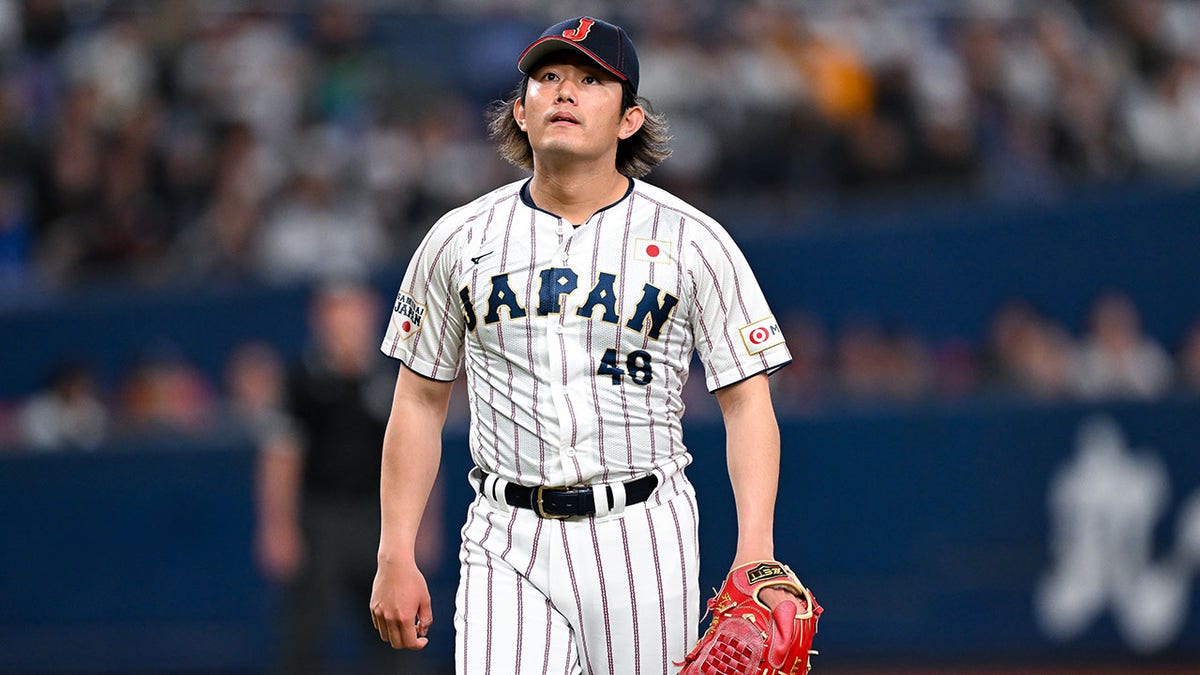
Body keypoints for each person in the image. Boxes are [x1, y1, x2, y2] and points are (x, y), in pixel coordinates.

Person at [369, 17, 798, 674]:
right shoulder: (458, 239)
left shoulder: (694, 240)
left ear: (629, 119)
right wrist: (395, 551)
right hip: (504, 533)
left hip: (643, 532)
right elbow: (420, 402)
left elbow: (747, 402)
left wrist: (756, 548)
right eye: (548, 77)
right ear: (520, 110)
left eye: (591, 79)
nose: (564, 91)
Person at [256, 280, 438, 674]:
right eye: (336, 312)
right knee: (304, 633)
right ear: (319, 319)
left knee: (398, 629)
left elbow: (418, 451)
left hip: (380, 521)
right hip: (319, 521)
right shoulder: (301, 381)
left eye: (354, 311)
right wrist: (278, 527)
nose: (346, 322)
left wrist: (422, 526)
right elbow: (280, 458)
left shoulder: (393, 377)